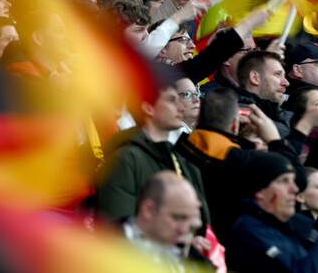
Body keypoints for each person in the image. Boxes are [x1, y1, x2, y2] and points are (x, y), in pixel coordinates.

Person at [95, 69, 208, 224]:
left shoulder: (183, 154)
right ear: (148, 108)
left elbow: (201, 218)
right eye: (171, 100)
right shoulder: (124, 159)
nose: (181, 107)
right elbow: (117, 228)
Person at [225, 150, 318, 272]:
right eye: (283, 181)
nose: (294, 189)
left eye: (292, 181)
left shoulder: (279, 227)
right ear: (260, 190)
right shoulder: (250, 231)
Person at [175, 87, 279, 239]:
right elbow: (295, 177)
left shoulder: (177, 149)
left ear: (198, 120)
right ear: (234, 125)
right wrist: (274, 140)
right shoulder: (244, 160)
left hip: (189, 240)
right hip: (233, 245)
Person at [121, 171, 207, 269]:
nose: (183, 230)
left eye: (188, 220)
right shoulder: (108, 249)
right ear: (149, 210)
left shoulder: (189, 255)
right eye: (177, 218)